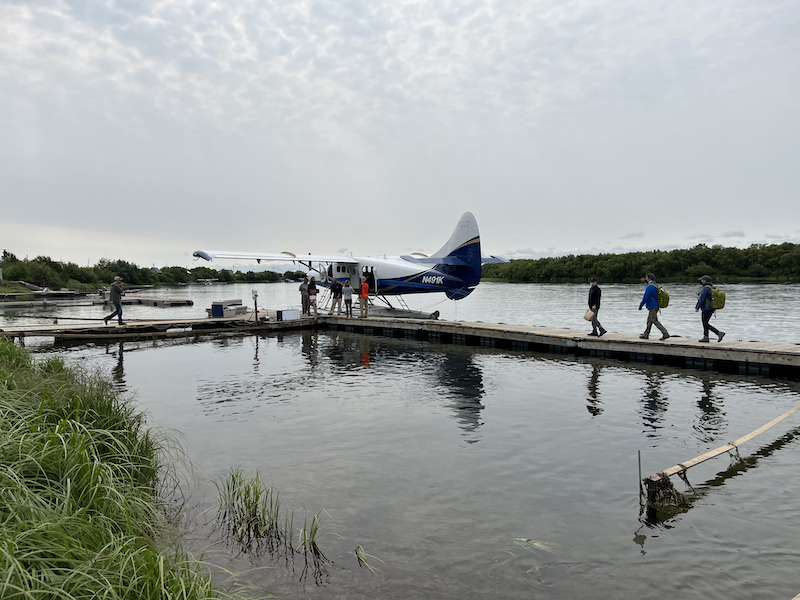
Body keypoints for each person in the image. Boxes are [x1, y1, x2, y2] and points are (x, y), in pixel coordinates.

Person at [638, 273, 669, 340]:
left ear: (648, 278)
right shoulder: (656, 285)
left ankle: (665, 333)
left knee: (654, 320)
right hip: (656, 305)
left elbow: (645, 297)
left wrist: (641, 305)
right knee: (649, 321)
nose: (645, 279)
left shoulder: (649, 287)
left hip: (652, 306)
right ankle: (646, 335)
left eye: (646, 277)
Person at [695, 275, 725, 343]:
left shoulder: (705, 288)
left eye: (702, 280)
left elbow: (702, 299)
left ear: (705, 281)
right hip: (711, 308)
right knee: (705, 322)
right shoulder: (712, 287)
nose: (701, 281)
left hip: (706, 308)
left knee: (705, 323)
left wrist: (697, 307)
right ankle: (706, 337)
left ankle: (718, 333)